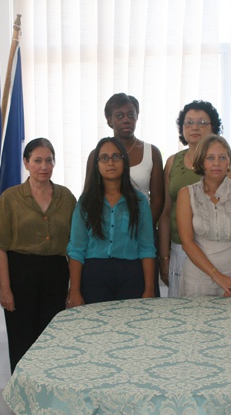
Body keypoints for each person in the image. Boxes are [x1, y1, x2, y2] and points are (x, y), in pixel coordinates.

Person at [0, 138, 76, 373]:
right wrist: (5, 289)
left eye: (49, 160)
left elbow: (76, 245)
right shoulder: (10, 198)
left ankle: (50, 401)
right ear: (26, 163)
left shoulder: (67, 197)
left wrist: (74, 286)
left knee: (53, 341)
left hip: (56, 274)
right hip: (20, 274)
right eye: (37, 161)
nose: (44, 166)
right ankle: (22, 401)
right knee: (22, 341)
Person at [158, 100, 231, 297]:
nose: (195, 127)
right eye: (189, 123)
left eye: (202, 123)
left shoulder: (226, 163)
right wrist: (164, 257)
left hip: (219, 250)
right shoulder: (172, 162)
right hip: (180, 248)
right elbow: (166, 211)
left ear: (214, 127)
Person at [85, 93, 164, 296]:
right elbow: (90, 196)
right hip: (105, 237)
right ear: (109, 120)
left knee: (141, 297)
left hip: (142, 235)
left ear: (137, 116)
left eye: (131, 114)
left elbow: (158, 198)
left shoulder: (151, 151)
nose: (126, 119)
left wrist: (138, 226)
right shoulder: (97, 154)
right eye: (119, 115)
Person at [66, 137, 155, 306]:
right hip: (94, 276)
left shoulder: (139, 202)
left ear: (124, 161)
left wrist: (149, 289)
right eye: (104, 158)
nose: (110, 163)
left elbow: (147, 248)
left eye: (116, 157)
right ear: (97, 164)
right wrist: (75, 291)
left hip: (130, 275)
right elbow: (77, 249)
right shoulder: (86, 202)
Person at [176, 134, 231, 297]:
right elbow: (187, 242)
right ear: (200, 162)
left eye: (222, 157)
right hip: (199, 276)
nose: (216, 163)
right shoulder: (186, 194)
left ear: (229, 162)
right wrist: (218, 278)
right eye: (210, 158)